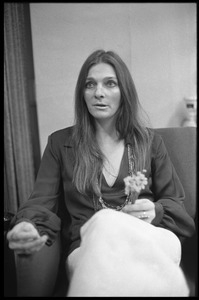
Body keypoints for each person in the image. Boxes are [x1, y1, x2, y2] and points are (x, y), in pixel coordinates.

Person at [7, 49, 195, 297]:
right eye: (90, 84)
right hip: (88, 250)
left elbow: (177, 207)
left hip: (150, 240)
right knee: (106, 223)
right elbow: (41, 203)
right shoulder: (60, 144)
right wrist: (26, 224)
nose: (99, 92)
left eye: (110, 83)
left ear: (124, 91)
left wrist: (155, 211)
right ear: (82, 93)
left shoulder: (150, 142)